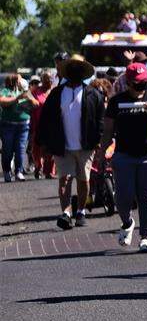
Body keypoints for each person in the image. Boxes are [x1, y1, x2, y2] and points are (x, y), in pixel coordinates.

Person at [98, 63, 147, 252]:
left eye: (144, 83)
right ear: (128, 82)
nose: (141, 87)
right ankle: (127, 222)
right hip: (124, 154)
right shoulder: (117, 101)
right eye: (137, 83)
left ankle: (145, 237)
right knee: (123, 197)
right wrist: (102, 152)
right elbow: (108, 129)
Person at [36, 55, 104, 229]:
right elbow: (45, 119)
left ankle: (80, 211)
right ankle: (66, 213)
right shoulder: (56, 94)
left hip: (86, 145)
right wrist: (42, 143)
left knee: (83, 180)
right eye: (72, 69)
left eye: (79, 69)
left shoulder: (93, 94)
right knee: (64, 179)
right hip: (62, 145)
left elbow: (100, 120)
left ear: (83, 73)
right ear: (67, 72)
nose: (75, 72)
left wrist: (99, 141)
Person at [0, 74, 40, 182]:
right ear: (13, 80)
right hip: (8, 125)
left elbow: (36, 104)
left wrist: (30, 100)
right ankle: (7, 171)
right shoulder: (5, 91)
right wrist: (17, 98)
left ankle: (18, 171)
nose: (21, 80)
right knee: (7, 150)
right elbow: (2, 101)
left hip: (23, 125)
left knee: (20, 150)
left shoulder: (25, 91)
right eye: (19, 79)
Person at [29, 72, 54, 179]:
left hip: (52, 125)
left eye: (49, 79)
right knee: (37, 149)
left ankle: (48, 172)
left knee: (51, 149)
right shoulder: (36, 91)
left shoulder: (54, 90)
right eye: (45, 79)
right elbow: (27, 96)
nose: (48, 81)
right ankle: (38, 166)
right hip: (38, 124)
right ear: (42, 80)